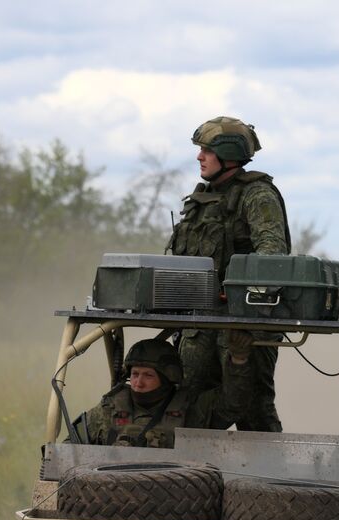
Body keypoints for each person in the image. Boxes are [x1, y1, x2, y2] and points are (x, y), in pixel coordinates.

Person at [169, 116, 290, 433]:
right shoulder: (202, 200)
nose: (199, 157)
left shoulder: (258, 195)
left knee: (253, 407)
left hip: (243, 325)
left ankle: (274, 480)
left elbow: (272, 253)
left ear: (229, 154)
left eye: (207, 150)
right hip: (199, 324)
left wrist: (238, 296)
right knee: (184, 404)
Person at [68, 332, 254, 448]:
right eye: (135, 374)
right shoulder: (109, 409)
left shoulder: (191, 409)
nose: (138, 383)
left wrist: (238, 361)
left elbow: (233, 404)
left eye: (148, 375)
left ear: (167, 378)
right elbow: (70, 447)